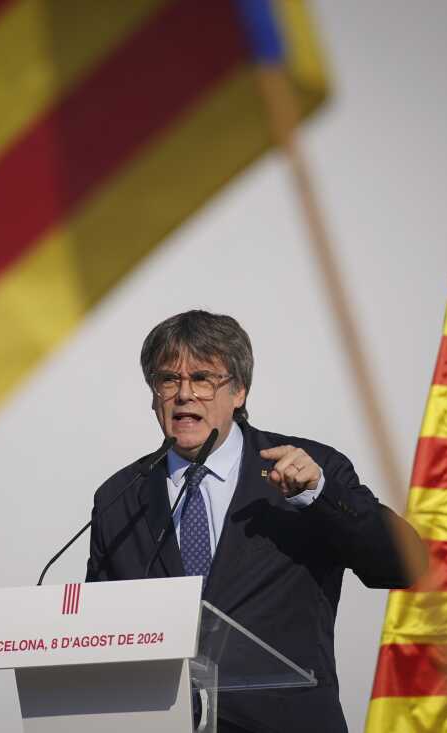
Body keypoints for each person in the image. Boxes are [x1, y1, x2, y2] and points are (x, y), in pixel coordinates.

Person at [86, 310, 427, 733]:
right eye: (168, 379)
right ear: (154, 394)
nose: (184, 395)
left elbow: (405, 565)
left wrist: (317, 495)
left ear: (240, 391)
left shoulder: (309, 472)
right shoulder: (119, 497)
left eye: (204, 378)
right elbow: (99, 633)